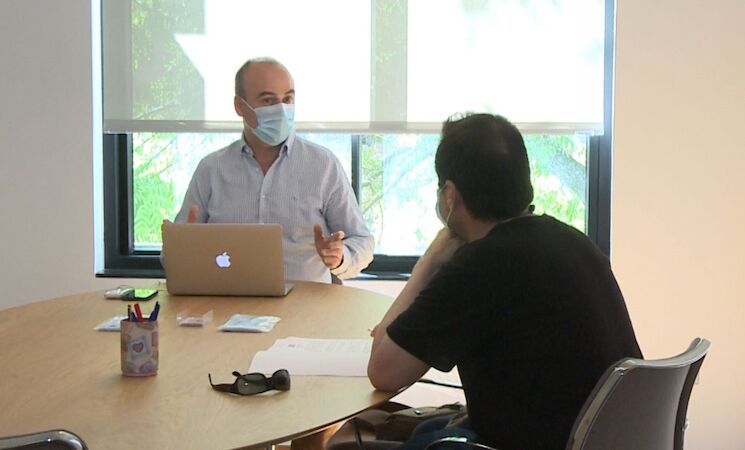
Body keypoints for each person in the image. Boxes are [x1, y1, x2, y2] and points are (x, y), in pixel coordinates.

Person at [367, 113, 642, 450]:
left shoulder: (482, 265)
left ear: (450, 195)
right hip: (607, 438)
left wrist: (431, 260)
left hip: (542, 441)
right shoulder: (570, 241)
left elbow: (383, 371)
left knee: (355, 440)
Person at [172, 57, 374, 283]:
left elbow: (362, 241)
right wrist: (182, 248)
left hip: (307, 301)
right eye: (268, 101)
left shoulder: (323, 165)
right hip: (229, 299)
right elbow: (174, 256)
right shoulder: (211, 169)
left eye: (287, 99)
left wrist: (339, 257)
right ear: (240, 106)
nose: (281, 110)